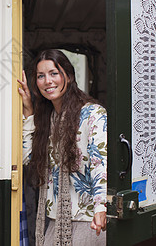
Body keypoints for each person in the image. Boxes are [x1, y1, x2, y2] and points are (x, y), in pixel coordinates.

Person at [18, 49, 107, 246]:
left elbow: (99, 163)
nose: (47, 81)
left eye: (53, 73)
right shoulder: (49, 118)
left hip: (87, 219)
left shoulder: (92, 113)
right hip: (55, 218)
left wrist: (101, 208)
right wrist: (29, 112)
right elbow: (27, 158)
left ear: (68, 75)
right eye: (41, 76)